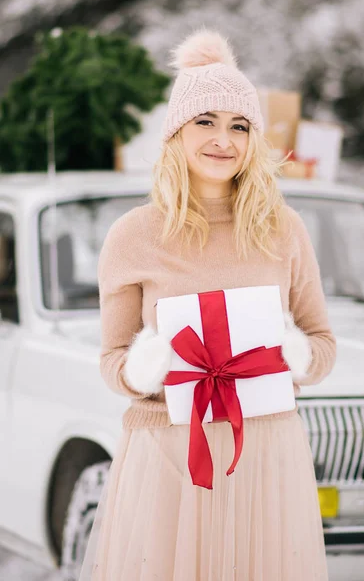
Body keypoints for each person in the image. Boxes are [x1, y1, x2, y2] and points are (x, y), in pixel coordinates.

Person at [79, 29, 336, 581]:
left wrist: (294, 355)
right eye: (206, 122)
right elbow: (110, 359)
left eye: (239, 125)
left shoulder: (283, 229)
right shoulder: (134, 234)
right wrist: (142, 366)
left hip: (266, 448)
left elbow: (322, 342)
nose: (224, 139)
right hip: (168, 452)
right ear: (177, 131)